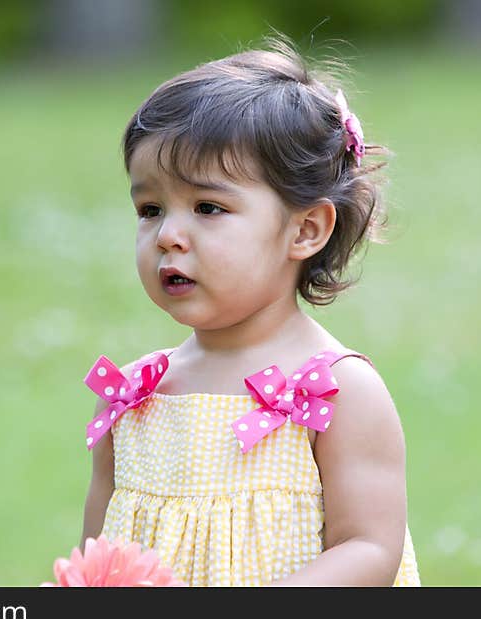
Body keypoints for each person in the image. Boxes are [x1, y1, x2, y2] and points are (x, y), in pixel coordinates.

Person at [78, 34, 420, 586]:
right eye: (149, 208)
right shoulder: (136, 395)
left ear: (305, 229)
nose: (168, 235)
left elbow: (369, 548)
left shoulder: (332, 390)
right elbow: (99, 558)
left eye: (208, 207)